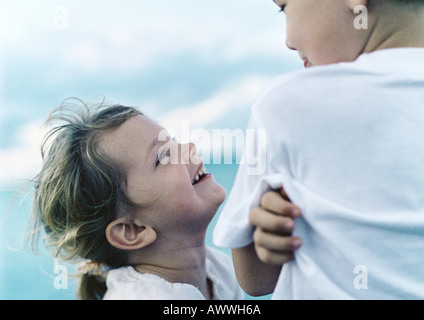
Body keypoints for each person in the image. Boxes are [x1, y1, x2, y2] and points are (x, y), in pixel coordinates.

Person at [213, 0, 424, 299]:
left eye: (284, 7)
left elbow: (254, 281)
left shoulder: (286, 104)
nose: (287, 41)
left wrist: (267, 236)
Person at [28, 99, 244, 300]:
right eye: (163, 157)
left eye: (173, 141)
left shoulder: (218, 269)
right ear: (133, 231)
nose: (189, 148)